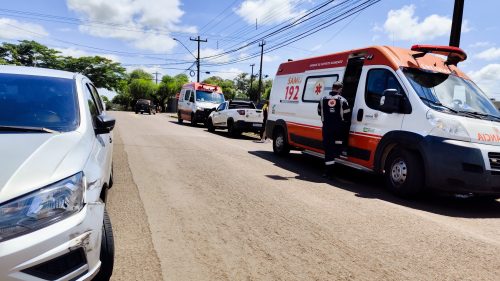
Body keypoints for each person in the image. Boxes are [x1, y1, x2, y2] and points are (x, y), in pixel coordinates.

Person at [317, 81, 350, 178]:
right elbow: (347, 115)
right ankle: (336, 164)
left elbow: (319, 112)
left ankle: (328, 172)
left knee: (328, 150)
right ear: (340, 89)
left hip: (326, 128)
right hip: (338, 129)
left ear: (332, 88)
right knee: (337, 147)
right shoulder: (343, 100)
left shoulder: (322, 99)